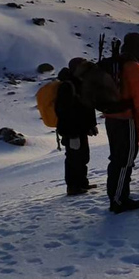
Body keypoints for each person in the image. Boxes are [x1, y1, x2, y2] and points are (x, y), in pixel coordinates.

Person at [104, 32, 139, 214]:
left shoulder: (116, 64)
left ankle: (117, 197)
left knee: (117, 158)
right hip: (126, 119)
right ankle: (119, 200)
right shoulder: (132, 66)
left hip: (112, 118)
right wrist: (138, 117)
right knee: (125, 160)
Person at [55, 58, 98, 196]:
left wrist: (91, 125)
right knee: (74, 158)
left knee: (83, 157)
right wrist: (71, 133)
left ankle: (82, 183)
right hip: (72, 130)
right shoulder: (68, 86)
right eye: (82, 66)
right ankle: (73, 186)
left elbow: (87, 107)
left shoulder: (79, 83)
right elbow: (62, 111)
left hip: (80, 129)